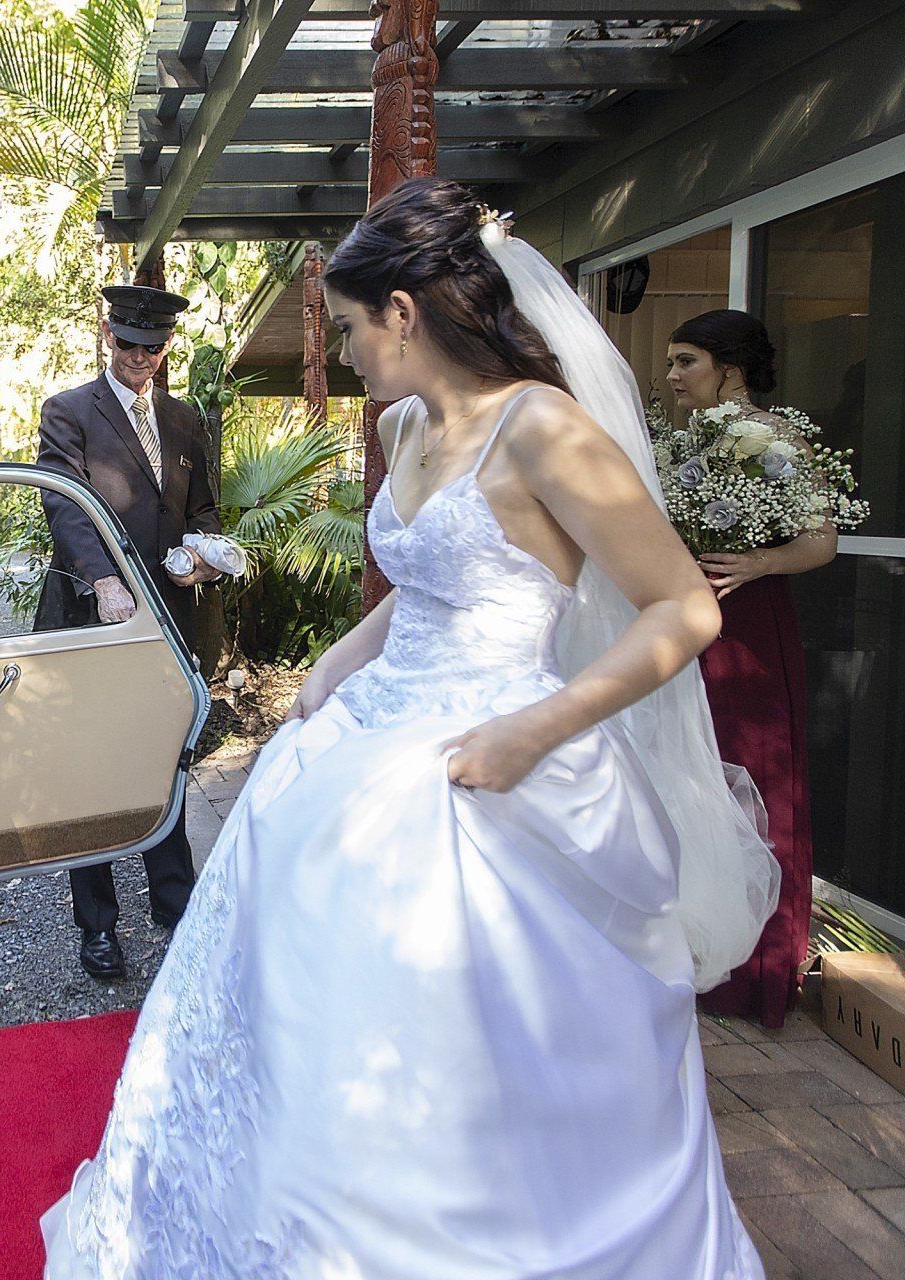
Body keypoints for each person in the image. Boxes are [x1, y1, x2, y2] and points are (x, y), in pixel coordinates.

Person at [40, 178, 776, 1278]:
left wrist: (537, 729)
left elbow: (683, 608)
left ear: (403, 311)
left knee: (445, 1020)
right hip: (379, 722)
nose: (342, 353)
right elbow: (430, 578)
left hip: (500, 741)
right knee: (293, 968)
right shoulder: (404, 423)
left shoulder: (545, 428)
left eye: (348, 327)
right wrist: (339, 659)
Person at [33, 283, 223, 981]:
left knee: (162, 755)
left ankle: (175, 904)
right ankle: (98, 926)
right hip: (94, 615)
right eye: (129, 344)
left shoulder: (184, 419)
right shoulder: (68, 412)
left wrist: (204, 556)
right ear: (108, 335)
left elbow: (202, 509)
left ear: (167, 347)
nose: (140, 358)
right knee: (90, 768)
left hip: (167, 621)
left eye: (153, 348)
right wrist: (104, 581)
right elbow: (65, 503)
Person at [667, 310, 835, 1028]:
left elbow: (822, 541)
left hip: (750, 625)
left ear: (730, 369)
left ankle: (757, 970)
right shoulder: (685, 443)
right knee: (691, 776)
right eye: (672, 363)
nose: (673, 377)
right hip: (685, 619)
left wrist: (758, 561)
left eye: (686, 362)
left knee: (753, 776)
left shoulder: (776, 438)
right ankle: (696, 951)